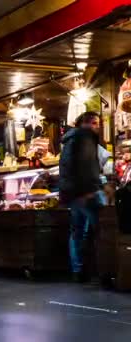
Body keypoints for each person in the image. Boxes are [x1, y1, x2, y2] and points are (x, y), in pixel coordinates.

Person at [59, 111, 104, 283]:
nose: (98, 127)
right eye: (96, 123)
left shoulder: (70, 139)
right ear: (89, 122)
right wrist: (89, 190)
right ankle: (105, 269)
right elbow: (86, 165)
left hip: (73, 193)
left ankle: (78, 270)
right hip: (86, 191)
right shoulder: (85, 136)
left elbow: (69, 166)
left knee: (78, 232)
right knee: (104, 229)